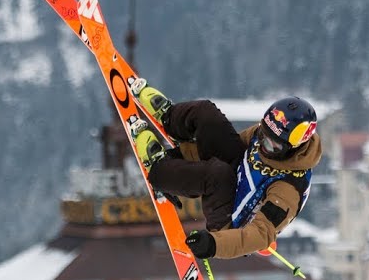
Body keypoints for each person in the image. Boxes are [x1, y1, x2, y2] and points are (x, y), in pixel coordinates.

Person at [129, 82, 322, 260]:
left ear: (293, 148)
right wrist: (180, 156)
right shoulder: (270, 134)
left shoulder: (288, 188)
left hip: (231, 225)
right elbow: (224, 146)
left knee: (217, 174)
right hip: (235, 175)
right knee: (207, 114)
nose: (263, 145)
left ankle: (158, 170)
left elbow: (260, 234)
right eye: (263, 134)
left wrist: (213, 245)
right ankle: (169, 117)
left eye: (273, 146)